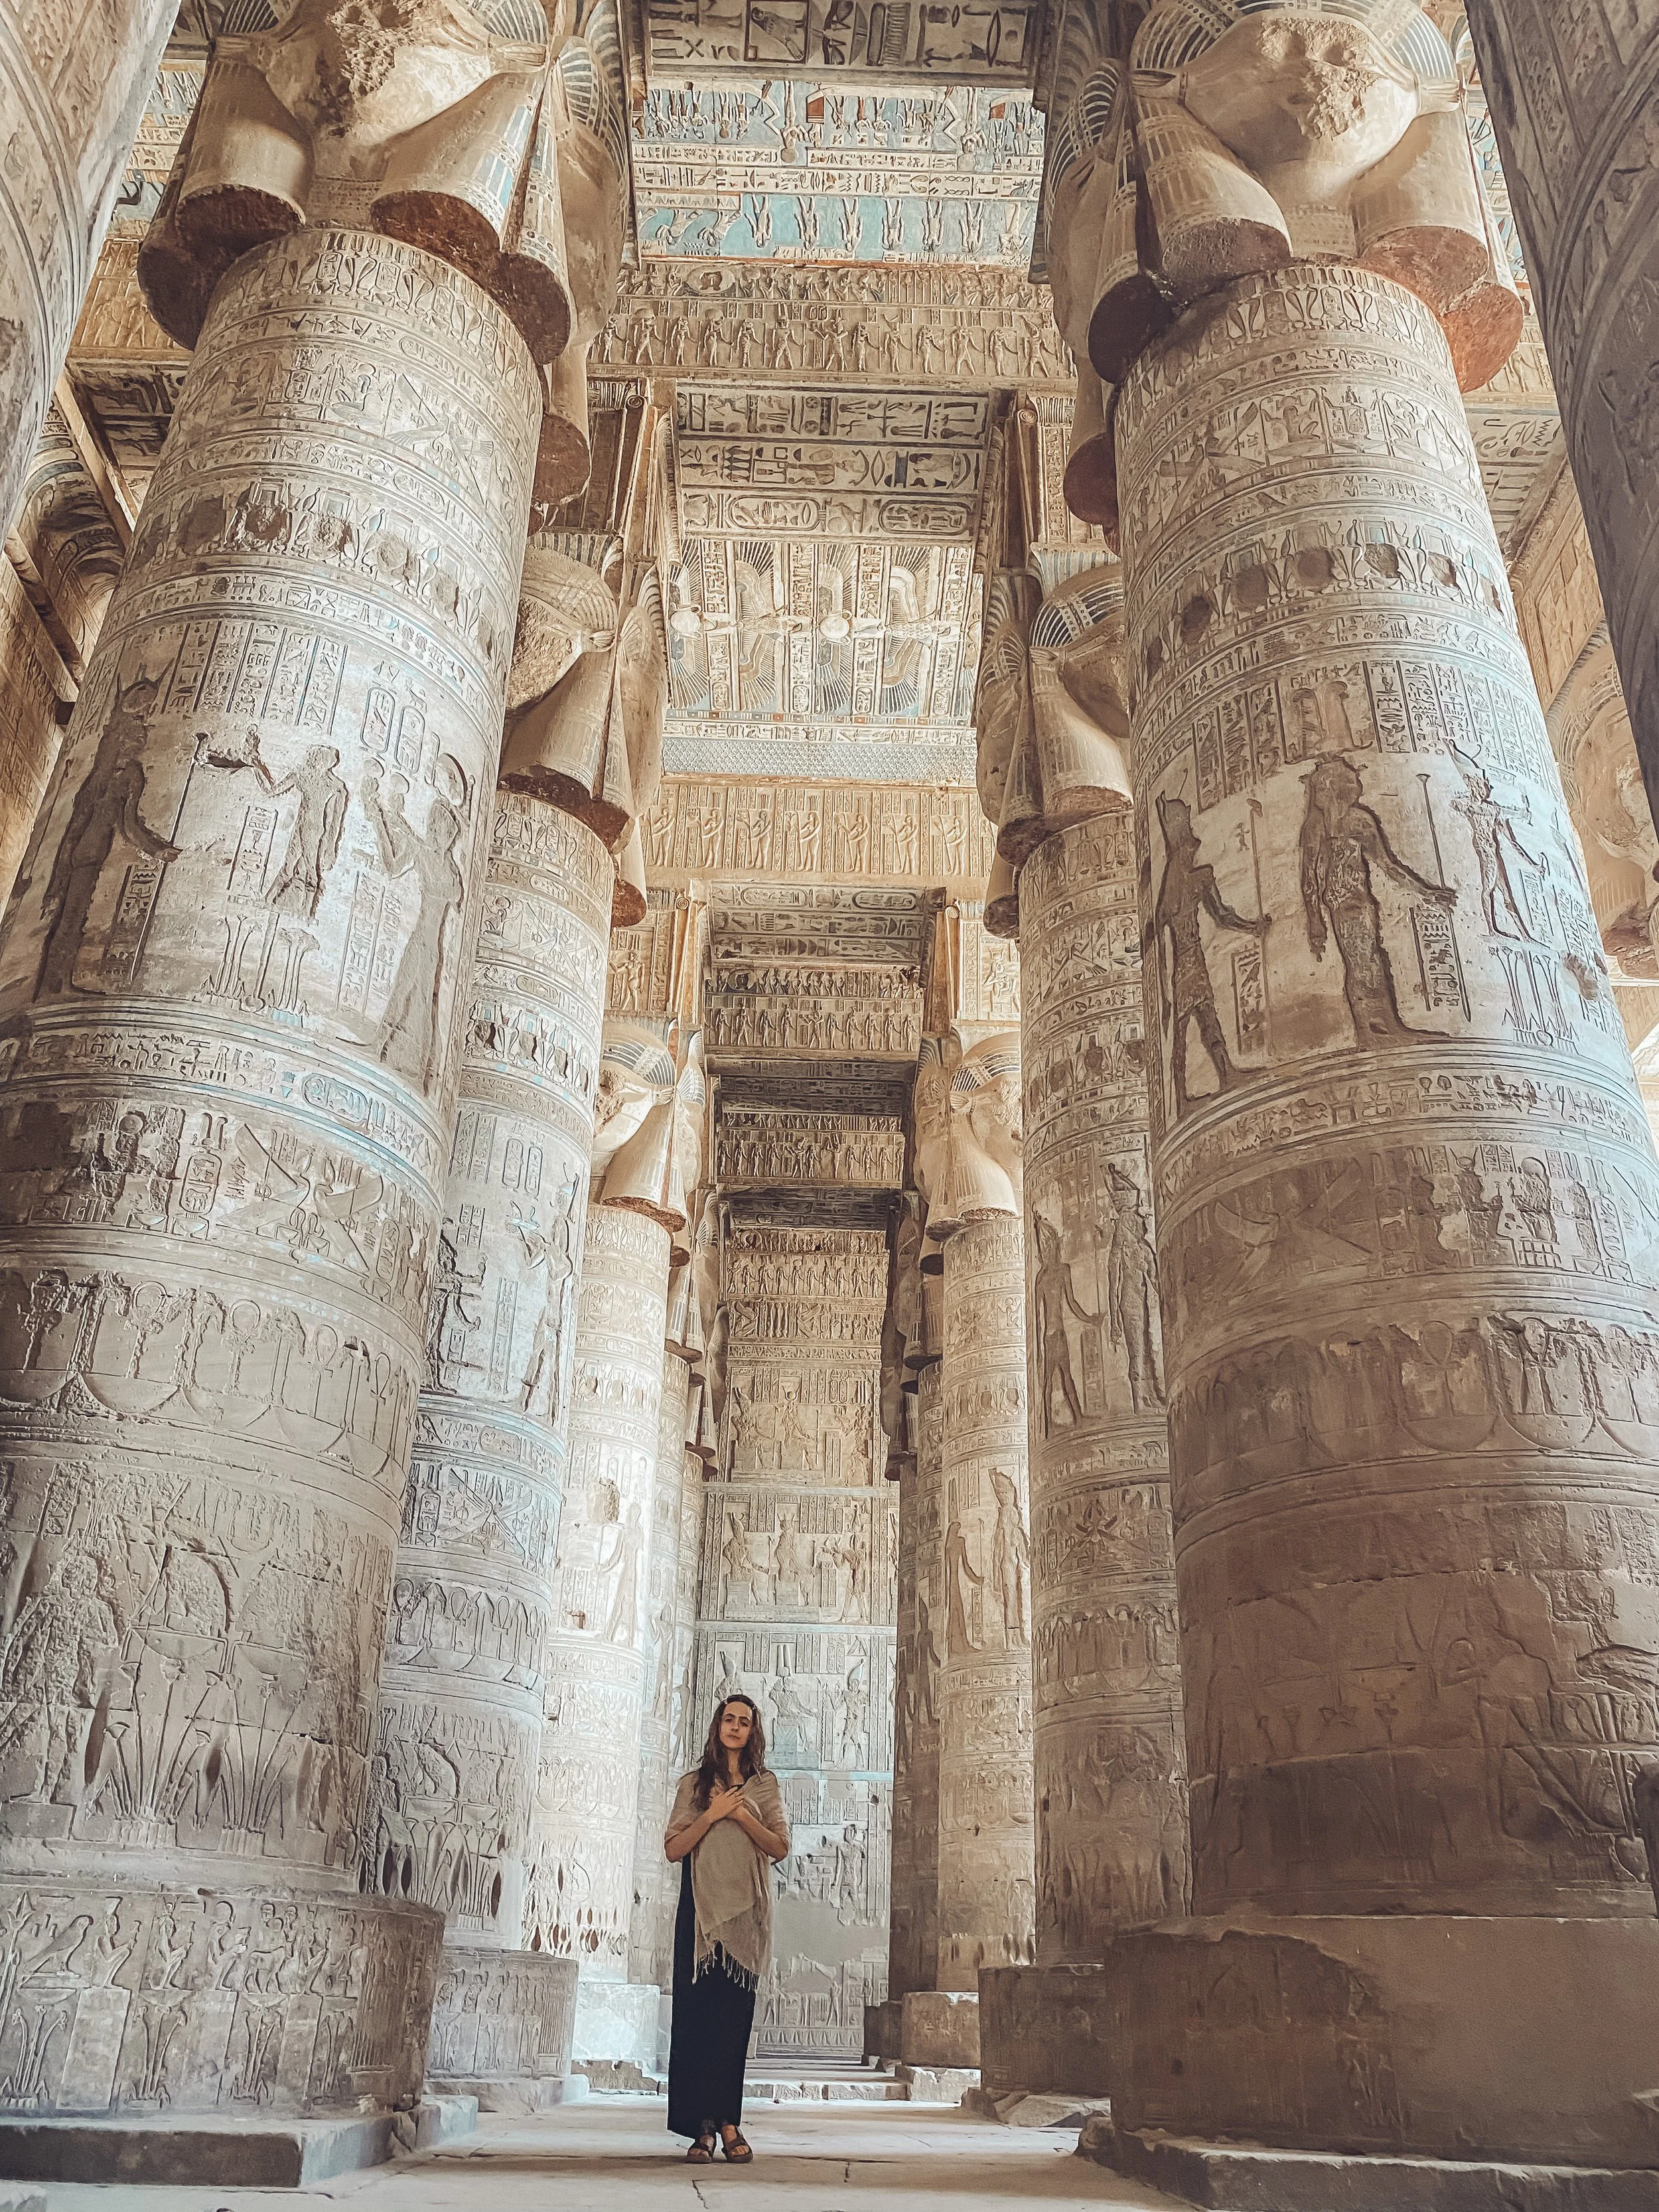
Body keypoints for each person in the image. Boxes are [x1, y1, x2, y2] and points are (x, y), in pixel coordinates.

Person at [664, 1695, 790, 2164]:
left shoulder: (765, 1785)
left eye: (744, 1721)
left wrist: (739, 1813)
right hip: (700, 1917)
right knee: (697, 2026)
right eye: (729, 1718)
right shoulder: (693, 1785)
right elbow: (675, 1848)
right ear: (717, 1725)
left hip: (746, 1919)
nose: (735, 1727)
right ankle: (702, 2129)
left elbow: (779, 1845)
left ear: (753, 1731)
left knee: (732, 2027)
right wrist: (712, 1814)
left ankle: (730, 2123)